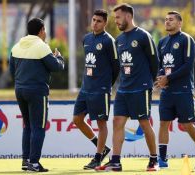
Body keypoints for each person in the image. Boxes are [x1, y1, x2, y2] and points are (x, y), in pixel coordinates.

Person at [95, 3, 159, 172]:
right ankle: (115, 161)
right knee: (117, 122)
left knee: (144, 123)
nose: (115, 21)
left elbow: (154, 62)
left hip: (141, 88)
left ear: (128, 16)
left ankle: (154, 160)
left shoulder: (144, 36)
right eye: (115, 17)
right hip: (124, 89)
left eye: (118, 17)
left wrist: (150, 83)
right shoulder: (119, 40)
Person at [154, 11, 195, 169]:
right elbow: (160, 66)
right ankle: (163, 159)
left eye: (171, 20)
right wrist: (160, 78)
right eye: (165, 20)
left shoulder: (186, 39)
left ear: (180, 23)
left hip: (183, 90)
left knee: (187, 124)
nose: (167, 22)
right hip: (167, 92)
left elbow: (187, 65)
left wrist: (168, 78)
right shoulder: (162, 42)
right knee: (164, 123)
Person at [9, 18, 65, 172]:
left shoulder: (16, 46)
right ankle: (34, 163)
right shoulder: (42, 46)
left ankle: (26, 161)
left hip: (19, 90)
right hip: (37, 91)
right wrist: (59, 57)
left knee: (27, 126)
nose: (45, 33)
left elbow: (11, 71)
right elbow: (56, 67)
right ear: (41, 30)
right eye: (44, 30)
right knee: (38, 127)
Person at [72, 9, 120, 170]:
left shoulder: (109, 41)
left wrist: (106, 84)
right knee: (77, 120)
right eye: (94, 20)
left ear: (105, 23)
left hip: (101, 89)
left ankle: (98, 158)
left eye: (99, 21)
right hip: (86, 88)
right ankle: (102, 147)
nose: (95, 23)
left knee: (101, 124)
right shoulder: (86, 39)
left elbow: (116, 66)